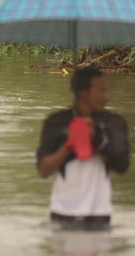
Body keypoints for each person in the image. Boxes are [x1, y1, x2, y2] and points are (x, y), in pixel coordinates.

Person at [36, 65, 130, 229]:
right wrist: (69, 144)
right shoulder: (56, 122)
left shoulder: (113, 123)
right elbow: (43, 170)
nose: (107, 96)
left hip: (99, 215)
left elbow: (122, 165)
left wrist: (97, 139)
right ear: (83, 94)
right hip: (62, 213)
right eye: (101, 91)